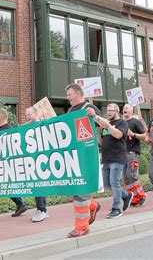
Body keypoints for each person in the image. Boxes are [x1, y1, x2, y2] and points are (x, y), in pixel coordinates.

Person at [65, 83, 102, 238]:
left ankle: (82, 227)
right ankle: (92, 205)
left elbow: (102, 126)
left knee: (80, 191)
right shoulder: (70, 111)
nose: (68, 98)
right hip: (73, 154)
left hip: (86, 155)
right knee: (72, 190)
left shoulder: (89, 108)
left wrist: (94, 116)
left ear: (79, 93)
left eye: (70, 94)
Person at [94, 103, 133, 219]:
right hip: (106, 158)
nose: (108, 112)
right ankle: (126, 195)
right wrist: (97, 133)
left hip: (117, 157)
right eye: (107, 110)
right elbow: (102, 142)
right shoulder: (106, 125)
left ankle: (116, 209)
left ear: (117, 111)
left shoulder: (122, 123)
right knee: (106, 183)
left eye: (111, 110)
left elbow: (118, 135)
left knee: (115, 183)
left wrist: (108, 126)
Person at [24, 106, 49, 222]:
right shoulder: (27, 127)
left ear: (35, 113)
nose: (27, 116)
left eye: (29, 114)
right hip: (33, 159)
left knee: (37, 184)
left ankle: (41, 210)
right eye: (26, 115)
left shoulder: (42, 124)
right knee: (39, 185)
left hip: (42, 159)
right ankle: (43, 210)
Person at [122, 104, 147, 207]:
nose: (124, 109)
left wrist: (134, 135)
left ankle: (142, 195)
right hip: (122, 153)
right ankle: (134, 197)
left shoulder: (135, 122)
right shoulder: (121, 123)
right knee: (126, 177)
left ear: (131, 111)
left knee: (132, 175)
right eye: (124, 108)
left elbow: (145, 136)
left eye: (127, 108)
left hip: (132, 152)